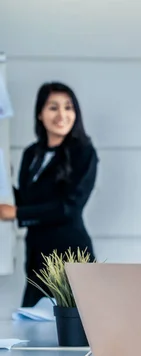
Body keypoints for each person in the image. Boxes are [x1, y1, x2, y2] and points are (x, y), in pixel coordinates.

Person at [0, 82, 99, 307]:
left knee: (73, 331)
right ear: (40, 114)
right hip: (37, 259)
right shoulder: (31, 154)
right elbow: (28, 199)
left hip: (70, 256)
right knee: (32, 327)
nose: (61, 114)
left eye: (68, 107)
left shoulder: (83, 153)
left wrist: (16, 212)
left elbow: (69, 207)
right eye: (53, 107)